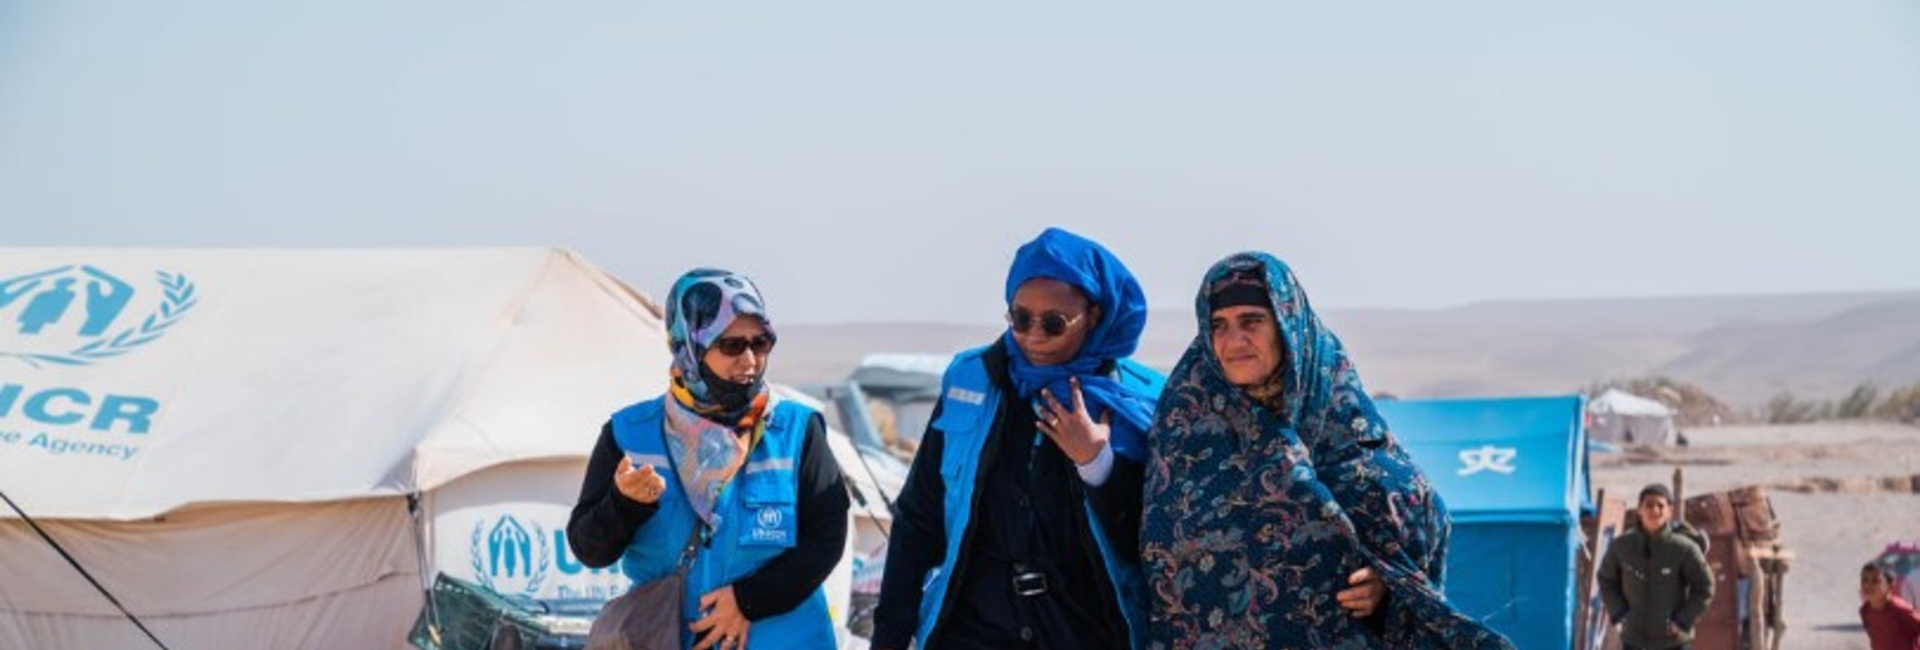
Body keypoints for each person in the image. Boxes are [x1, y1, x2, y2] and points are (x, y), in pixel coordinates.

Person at [1139, 251, 1513, 650]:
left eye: (1252, 321)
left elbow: (1421, 512)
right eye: (1219, 325)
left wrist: (1390, 583)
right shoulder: (1185, 422)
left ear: (1286, 325)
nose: (1234, 341)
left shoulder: (1339, 419)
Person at [872, 227, 1163, 650]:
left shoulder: (1140, 402)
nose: (1033, 337)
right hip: (973, 631)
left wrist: (1096, 463)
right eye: (1020, 318)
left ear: (1095, 316)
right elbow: (919, 516)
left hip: (1084, 632)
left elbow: (1154, 540)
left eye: (1054, 323)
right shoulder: (970, 382)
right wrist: (890, 636)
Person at [567, 268, 849, 650]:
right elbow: (589, 549)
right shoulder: (629, 434)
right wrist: (623, 504)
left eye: (761, 343)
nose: (749, 360)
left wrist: (749, 601)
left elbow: (827, 538)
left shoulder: (797, 431)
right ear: (690, 346)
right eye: (731, 346)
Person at [1597, 483, 1714, 650]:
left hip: (1673, 642)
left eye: (1660, 505)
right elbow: (1606, 579)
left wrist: (1682, 620)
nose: (1655, 510)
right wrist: (1620, 613)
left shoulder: (1684, 548)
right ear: (1639, 510)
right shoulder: (1621, 547)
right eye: (1649, 505)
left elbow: (1705, 586)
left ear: (1669, 511)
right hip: (1633, 641)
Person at [1861, 563, 1920, 650]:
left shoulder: (1899, 609)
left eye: (1875, 581)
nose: (1868, 585)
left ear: (1890, 585)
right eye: (1864, 580)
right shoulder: (1865, 611)